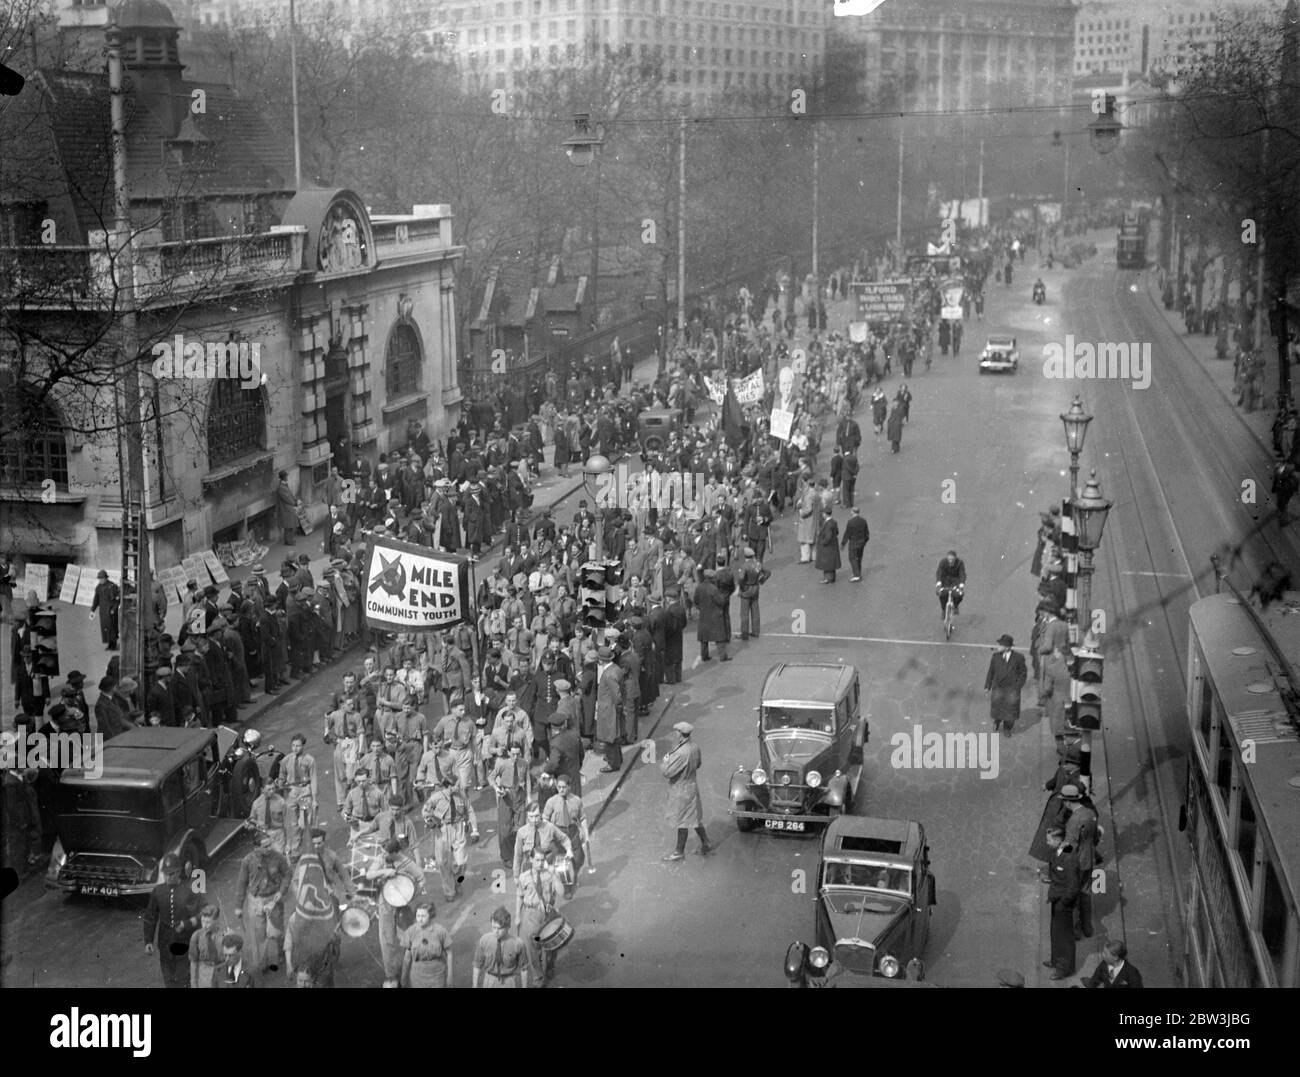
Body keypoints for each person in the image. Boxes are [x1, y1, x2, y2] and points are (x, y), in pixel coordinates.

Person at [234, 827, 291, 975]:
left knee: (277, 932)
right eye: (265, 846)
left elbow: (287, 874)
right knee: (258, 933)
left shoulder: (278, 857)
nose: (268, 848)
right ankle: (262, 963)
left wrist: (281, 891)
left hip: (274, 898)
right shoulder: (247, 861)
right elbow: (241, 883)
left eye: (269, 845)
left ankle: (281, 955)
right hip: (256, 901)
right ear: (256, 848)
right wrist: (238, 906)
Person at [143, 852, 203, 989]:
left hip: (185, 942)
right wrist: (148, 940)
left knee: (183, 979)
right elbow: (150, 916)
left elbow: (201, 914)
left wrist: (187, 925)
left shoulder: (190, 890)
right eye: (165, 874)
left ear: (179, 872)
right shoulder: (158, 891)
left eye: (171, 874)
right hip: (165, 942)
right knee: (168, 979)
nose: (167, 877)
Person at [371, 838, 425, 988]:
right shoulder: (381, 859)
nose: (383, 855)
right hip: (385, 904)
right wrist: (384, 871)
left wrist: (410, 895)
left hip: (402, 906)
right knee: (387, 940)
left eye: (387, 853)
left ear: (396, 853)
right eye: (382, 852)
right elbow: (370, 874)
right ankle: (391, 975)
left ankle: (411, 970)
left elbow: (421, 878)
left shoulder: (406, 862)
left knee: (407, 937)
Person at [422, 775, 479, 901]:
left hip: (458, 828)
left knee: (462, 861)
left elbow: (470, 810)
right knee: (442, 862)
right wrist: (430, 819)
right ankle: (449, 891)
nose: (459, 787)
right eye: (456, 785)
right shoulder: (437, 797)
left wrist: (474, 830)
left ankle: (457, 881)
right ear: (449, 786)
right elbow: (425, 810)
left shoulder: (461, 795)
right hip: (443, 830)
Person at [661, 721, 710, 861]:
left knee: (682, 820)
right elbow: (698, 764)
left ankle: (679, 852)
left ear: (680, 734)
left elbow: (668, 773)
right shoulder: (694, 747)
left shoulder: (681, 753)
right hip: (692, 786)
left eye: (676, 731)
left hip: (681, 789)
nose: (675, 733)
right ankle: (706, 842)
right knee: (693, 817)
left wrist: (665, 761)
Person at [515, 846, 563, 987]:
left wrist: (554, 875)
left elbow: (561, 892)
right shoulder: (524, 877)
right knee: (532, 949)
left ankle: (550, 966)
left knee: (551, 945)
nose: (540, 863)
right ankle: (538, 976)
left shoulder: (549, 875)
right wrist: (517, 915)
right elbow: (519, 896)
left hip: (547, 914)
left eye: (542, 860)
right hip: (531, 914)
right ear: (531, 860)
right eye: (537, 860)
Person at [543, 773, 590, 896]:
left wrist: (585, 833)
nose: (561, 790)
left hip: (573, 831)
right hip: (558, 833)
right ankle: (567, 889)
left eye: (564, 787)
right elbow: (545, 821)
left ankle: (572, 875)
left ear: (569, 787)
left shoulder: (576, 800)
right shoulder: (551, 802)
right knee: (562, 863)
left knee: (579, 858)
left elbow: (583, 818)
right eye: (559, 787)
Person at [1044, 827, 1079, 980]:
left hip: (1062, 903)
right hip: (1056, 898)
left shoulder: (1069, 857)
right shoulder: (1059, 851)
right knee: (1055, 933)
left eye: (1049, 839)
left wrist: (1063, 903)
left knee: (1064, 937)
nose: (1047, 842)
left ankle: (1064, 969)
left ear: (1058, 840)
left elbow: (1073, 886)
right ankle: (1055, 960)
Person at [473, 906, 529, 988]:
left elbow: (524, 969)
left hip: (509, 981)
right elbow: (477, 965)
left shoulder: (518, 943)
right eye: (493, 927)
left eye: (499, 928)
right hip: (490, 980)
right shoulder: (484, 940)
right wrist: (474, 986)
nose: (496, 931)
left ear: (507, 927)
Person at [401, 901, 453, 988]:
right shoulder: (411, 931)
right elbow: (407, 956)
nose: (420, 919)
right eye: (418, 916)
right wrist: (403, 976)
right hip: (417, 977)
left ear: (431, 916)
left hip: (437, 977)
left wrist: (450, 976)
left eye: (423, 916)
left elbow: (449, 953)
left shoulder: (440, 931)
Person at [985, 634, 1028, 736]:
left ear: (1007, 647)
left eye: (1000, 645)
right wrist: (987, 686)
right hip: (998, 687)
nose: (998, 647)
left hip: (1012, 688)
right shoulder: (995, 657)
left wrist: (1018, 687)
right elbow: (991, 672)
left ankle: (1007, 728)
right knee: (997, 707)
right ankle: (997, 720)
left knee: (1010, 710)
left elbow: (1023, 673)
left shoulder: (1018, 658)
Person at [736, 548, 771, 640]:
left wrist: (740, 586)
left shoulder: (744, 566)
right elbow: (768, 572)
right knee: (755, 610)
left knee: (744, 613)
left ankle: (744, 634)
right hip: (755, 588)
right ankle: (756, 631)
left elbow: (741, 578)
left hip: (746, 589)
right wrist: (761, 580)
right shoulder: (757, 564)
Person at [189, 904, 224, 988]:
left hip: (222, 973)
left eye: (208, 922)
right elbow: (193, 961)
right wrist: (193, 983)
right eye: (202, 921)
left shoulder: (225, 935)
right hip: (204, 975)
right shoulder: (196, 936)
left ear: (216, 921)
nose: (204, 925)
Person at [90, 570, 120, 650]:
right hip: (103, 611)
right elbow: (96, 599)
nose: (100, 580)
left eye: (102, 578)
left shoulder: (112, 586)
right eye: (99, 579)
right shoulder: (98, 587)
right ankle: (109, 644)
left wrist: (114, 609)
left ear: (106, 578)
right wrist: (93, 609)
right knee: (105, 628)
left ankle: (114, 644)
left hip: (111, 611)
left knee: (112, 628)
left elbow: (117, 600)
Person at [841, 507, 870, 582]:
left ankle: (856, 575)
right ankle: (858, 572)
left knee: (852, 558)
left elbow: (847, 533)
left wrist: (843, 543)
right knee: (859, 558)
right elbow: (867, 533)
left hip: (853, 542)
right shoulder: (863, 521)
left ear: (853, 512)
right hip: (861, 542)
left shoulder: (850, 522)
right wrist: (864, 541)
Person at [935, 550, 966, 617]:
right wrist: (938, 583)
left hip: (955, 581)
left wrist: (961, 584)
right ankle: (944, 610)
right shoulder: (943, 562)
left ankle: (955, 606)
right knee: (942, 595)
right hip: (945, 581)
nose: (950, 561)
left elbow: (962, 574)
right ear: (947, 558)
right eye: (949, 559)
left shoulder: (960, 563)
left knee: (959, 595)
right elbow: (939, 572)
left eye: (952, 559)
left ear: (955, 558)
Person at [815, 508, 841, 584]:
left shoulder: (828, 524)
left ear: (825, 514)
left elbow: (828, 537)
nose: (822, 515)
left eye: (823, 513)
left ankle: (827, 579)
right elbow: (837, 532)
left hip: (828, 547)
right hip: (833, 545)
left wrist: (823, 542)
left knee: (826, 563)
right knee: (831, 563)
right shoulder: (833, 522)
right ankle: (832, 578)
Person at [276, 469, 299, 546]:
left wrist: (295, 500)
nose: (287, 477)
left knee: (290, 525)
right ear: (284, 477)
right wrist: (294, 503)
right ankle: (289, 541)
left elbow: (290, 495)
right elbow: (287, 498)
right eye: (286, 476)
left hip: (288, 508)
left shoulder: (284, 485)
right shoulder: (281, 487)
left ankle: (290, 540)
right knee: (288, 526)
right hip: (286, 508)